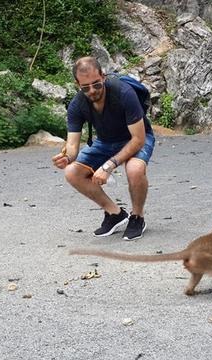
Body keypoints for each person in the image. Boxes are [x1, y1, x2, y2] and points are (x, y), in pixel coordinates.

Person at [52, 56, 155, 240]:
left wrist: (109, 166)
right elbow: (73, 145)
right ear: (78, 84)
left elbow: (138, 140)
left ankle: (137, 217)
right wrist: (67, 157)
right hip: (107, 141)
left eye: (97, 84)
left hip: (136, 137)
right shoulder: (77, 105)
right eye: (86, 87)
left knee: (135, 169)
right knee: (71, 172)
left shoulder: (124, 93)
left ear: (104, 77)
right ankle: (115, 214)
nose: (92, 90)